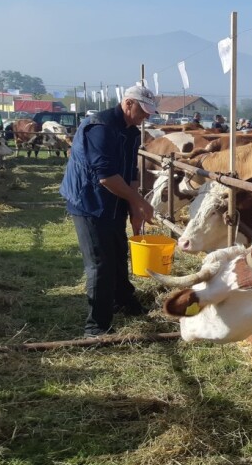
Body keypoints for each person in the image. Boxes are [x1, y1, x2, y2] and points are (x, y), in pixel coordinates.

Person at [59, 85, 157, 338]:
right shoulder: (99, 128)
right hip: (89, 201)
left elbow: (130, 173)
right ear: (128, 103)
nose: (146, 117)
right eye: (143, 111)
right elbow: (106, 177)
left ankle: (122, 299)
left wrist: (135, 206)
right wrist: (140, 202)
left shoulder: (132, 133)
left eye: (149, 113)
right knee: (100, 262)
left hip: (114, 201)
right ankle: (96, 326)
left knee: (117, 252)